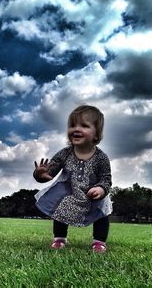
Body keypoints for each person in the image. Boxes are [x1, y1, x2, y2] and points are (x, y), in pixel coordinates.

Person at [33, 105, 112, 252]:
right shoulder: (65, 153)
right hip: (70, 190)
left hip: (95, 194)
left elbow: (106, 179)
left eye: (84, 125)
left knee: (102, 212)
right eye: (72, 125)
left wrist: (101, 189)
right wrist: (40, 175)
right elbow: (49, 173)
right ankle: (59, 238)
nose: (76, 129)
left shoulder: (101, 158)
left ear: (96, 134)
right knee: (61, 205)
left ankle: (99, 241)